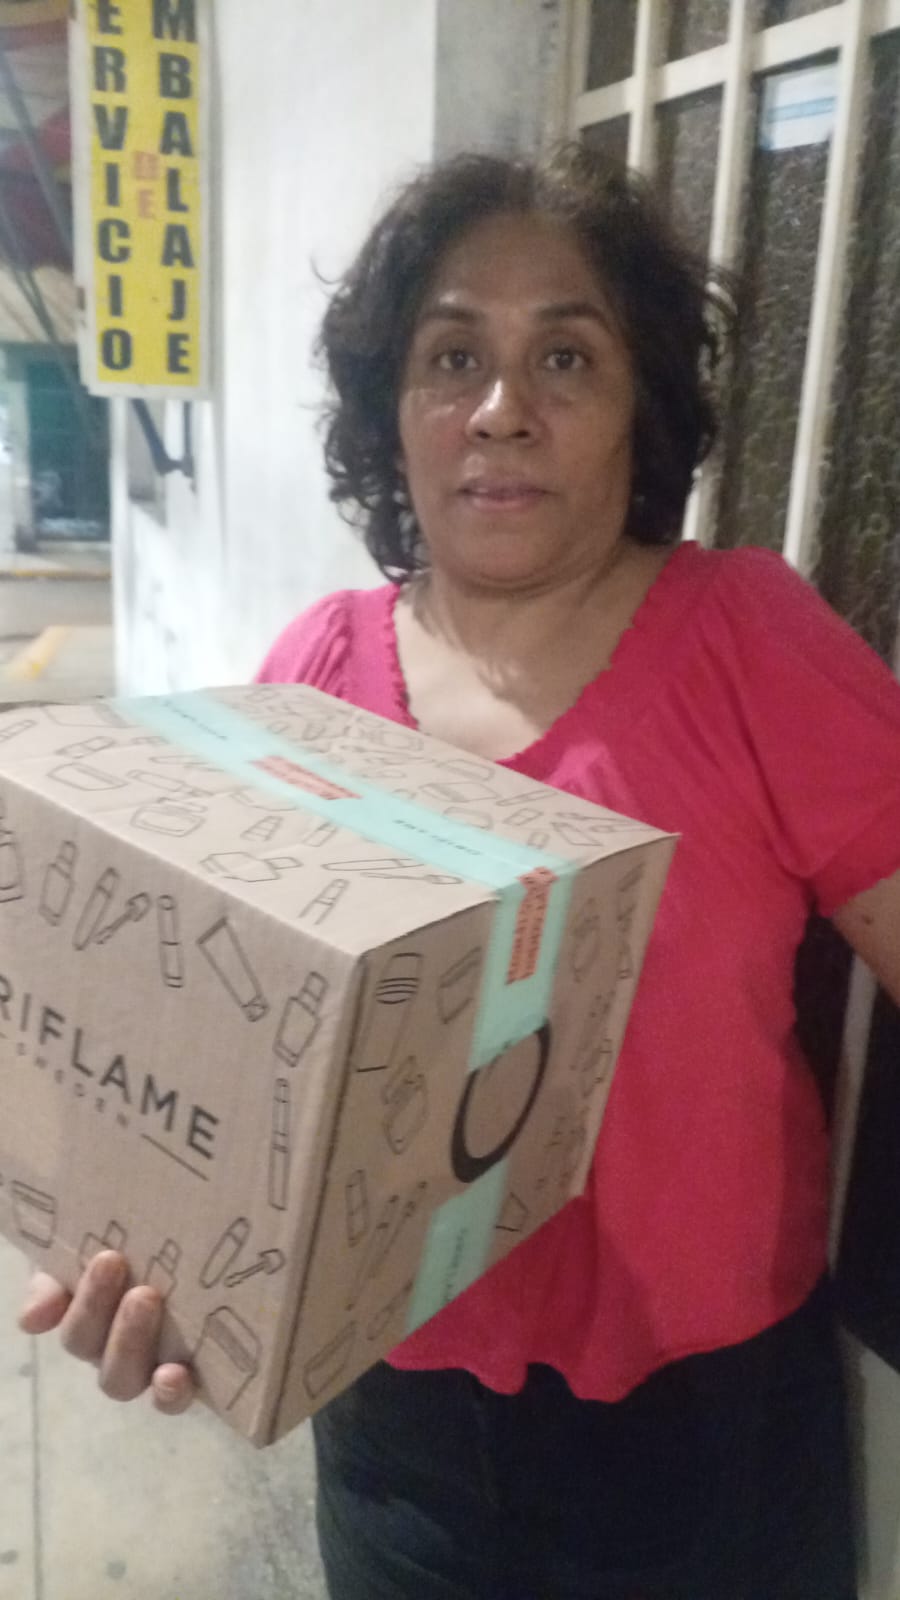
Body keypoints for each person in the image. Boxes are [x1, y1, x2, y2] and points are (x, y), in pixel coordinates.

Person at [19, 147, 900, 1599]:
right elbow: (219, 1067)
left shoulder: (748, 641)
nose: (503, 408)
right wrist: (160, 1265)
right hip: (397, 1434)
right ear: (395, 410)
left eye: (565, 354)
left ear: (639, 407)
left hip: (706, 1438)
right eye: (452, 357)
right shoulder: (312, 679)